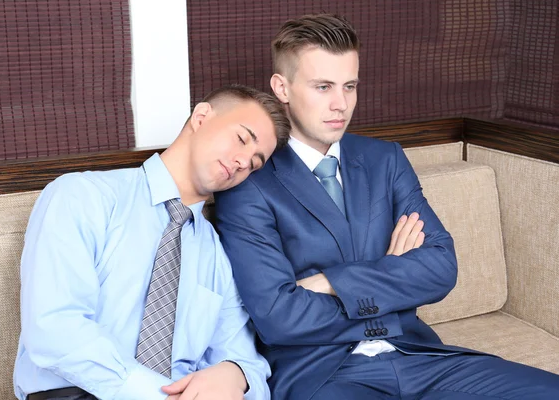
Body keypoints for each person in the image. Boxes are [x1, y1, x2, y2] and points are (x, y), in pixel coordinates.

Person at [214, 14, 559, 400]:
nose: (340, 104)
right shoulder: (249, 182)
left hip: (419, 356)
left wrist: (330, 282)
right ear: (283, 87)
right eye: (323, 86)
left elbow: (441, 268)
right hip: (323, 375)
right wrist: (392, 275)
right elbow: (279, 317)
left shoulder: (384, 159)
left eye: (349, 86)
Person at [14, 84, 290, 400]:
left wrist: (236, 373)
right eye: (241, 139)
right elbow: (54, 330)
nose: (243, 161)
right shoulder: (84, 197)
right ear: (201, 117)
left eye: (255, 163)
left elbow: (246, 361)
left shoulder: (216, 253)